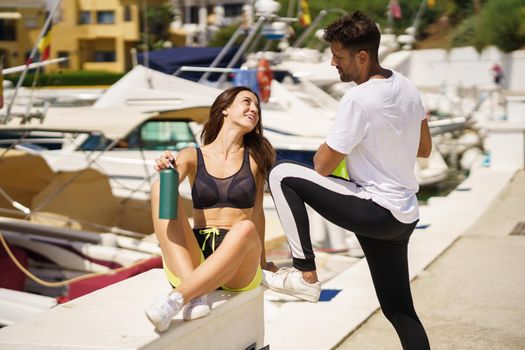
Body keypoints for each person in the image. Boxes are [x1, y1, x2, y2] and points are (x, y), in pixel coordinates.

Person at [263, 12, 432, 350]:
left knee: (281, 173)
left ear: (362, 56)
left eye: (338, 56)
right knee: (399, 309)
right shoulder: (407, 87)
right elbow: (425, 149)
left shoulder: (358, 98)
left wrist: (340, 143)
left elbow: (323, 166)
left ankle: (305, 274)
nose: (332, 63)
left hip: (376, 210)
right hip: (403, 217)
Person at [145, 86, 276, 332]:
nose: (254, 109)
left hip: (238, 263)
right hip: (195, 255)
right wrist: (168, 170)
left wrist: (263, 261)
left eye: (257, 107)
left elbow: (257, 213)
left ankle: (177, 299)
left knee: (245, 227)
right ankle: (195, 295)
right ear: (225, 108)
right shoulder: (192, 155)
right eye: (247, 102)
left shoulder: (256, 158)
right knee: (160, 187)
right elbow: (170, 181)